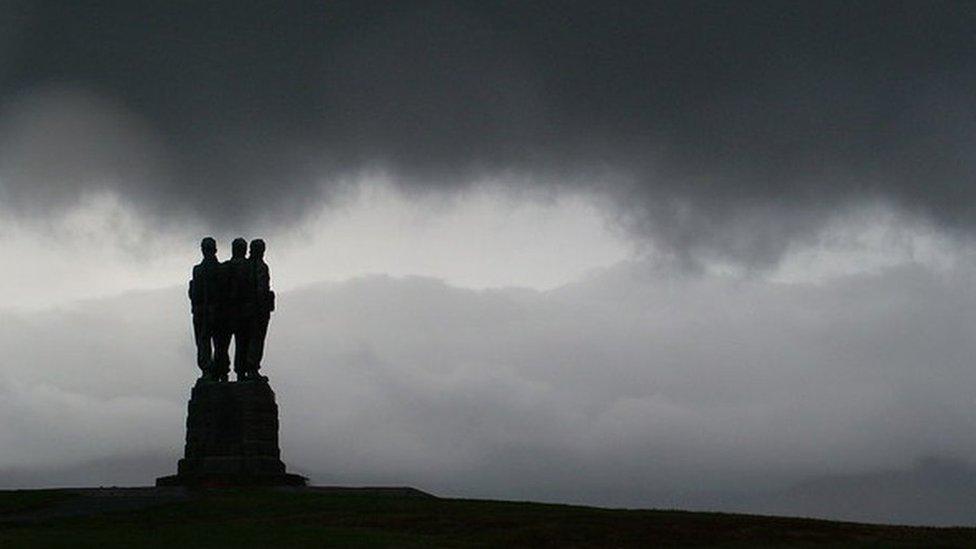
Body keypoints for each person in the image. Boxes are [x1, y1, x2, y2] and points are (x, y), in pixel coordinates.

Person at [214, 237, 250, 381]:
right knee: (240, 345)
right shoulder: (248, 267)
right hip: (239, 313)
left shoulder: (224, 267)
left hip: (227, 313)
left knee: (223, 346)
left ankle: (224, 373)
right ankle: (238, 373)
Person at [189, 237, 222, 379]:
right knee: (216, 342)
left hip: (207, 311)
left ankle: (210, 370)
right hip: (209, 311)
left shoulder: (199, 270)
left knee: (207, 342)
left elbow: (194, 293)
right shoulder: (221, 269)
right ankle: (215, 370)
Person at [244, 238, 274, 380]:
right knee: (256, 339)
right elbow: (262, 290)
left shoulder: (245, 266)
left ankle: (244, 370)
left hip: (245, 310)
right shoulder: (261, 267)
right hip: (257, 310)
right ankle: (252, 369)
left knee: (243, 340)